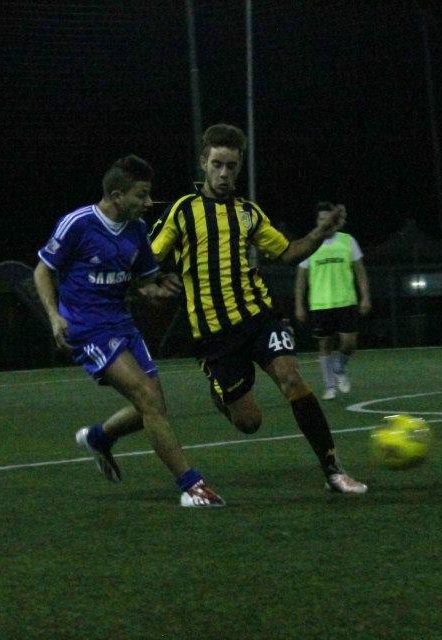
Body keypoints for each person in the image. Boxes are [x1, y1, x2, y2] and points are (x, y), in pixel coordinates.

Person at [149, 123, 367, 495]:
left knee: (291, 377)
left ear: (239, 167)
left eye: (231, 166)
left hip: (258, 317)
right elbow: (148, 257)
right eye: (217, 164)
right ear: (203, 162)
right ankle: (223, 394)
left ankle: (333, 470)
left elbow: (288, 252)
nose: (224, 173)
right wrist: (152, 281)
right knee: (249, 422)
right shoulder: (182, 211)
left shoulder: (248, 213)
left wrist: (320, 233)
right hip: (214, 335)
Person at [33, 154, 224, 508]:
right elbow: (42, 270)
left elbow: (145, 282)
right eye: (141, 195)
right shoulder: (78, 224)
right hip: (87, 328)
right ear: (117, 195)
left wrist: (157, 291)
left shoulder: (136, 231)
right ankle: (192, 486)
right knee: (148, 399)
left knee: (152, 405)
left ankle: (99, 437)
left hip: (122, 324)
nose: (148, 202)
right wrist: (54, 317)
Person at [295, 202, 372, 400]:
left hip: (346, 301)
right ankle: (330, 386)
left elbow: (360, 271)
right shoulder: (310, 244)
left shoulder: (348, 241)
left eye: (328, 218)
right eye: (321, 218)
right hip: (320, 304)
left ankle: (339, 367)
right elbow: (301, 278)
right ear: (317, 221)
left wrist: (365, 296)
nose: (325, 222)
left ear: (334, 220)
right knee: (325, 346)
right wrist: (299, 305)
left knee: (349, 343)